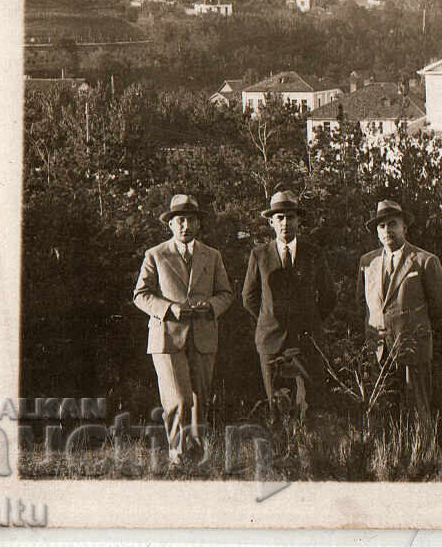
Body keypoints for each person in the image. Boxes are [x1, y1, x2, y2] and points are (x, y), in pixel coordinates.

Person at [132, 194, 235, 465]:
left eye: (191, 220)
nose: (185, 226)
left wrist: (210, 306)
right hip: (167, 338)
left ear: (199, 224)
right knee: (178, 399)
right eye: (180, 220)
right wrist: (168, 309)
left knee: (200, 400)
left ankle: (197, 457)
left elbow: (226, 294)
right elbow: (140, 295)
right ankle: (178, 457)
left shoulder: (212, 256)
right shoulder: (155, 255)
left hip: (202, 336)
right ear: (170, 225)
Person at [242, 190, 337, 422]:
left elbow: (329, 296)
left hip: (306, 341)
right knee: (277, 408)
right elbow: (249, 297)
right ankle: (282, 456)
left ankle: (309, 455)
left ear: (298, 220)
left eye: (291, 217)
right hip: (270, 342)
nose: (285, 223)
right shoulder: (259, 256)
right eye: (280, 218)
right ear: (271, 222)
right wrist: (270, 318)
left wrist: (309, 322)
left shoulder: (313, 253)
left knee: (310, 407)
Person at [356, 200, 442, 425]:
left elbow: (439, 309)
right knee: (381, 410)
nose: (387, 230)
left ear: (404, 227)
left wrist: (416, 333)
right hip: (377, 349)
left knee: (417, 410)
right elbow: (361, 304)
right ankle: (386, 457)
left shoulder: (425, 261)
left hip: (413, 348)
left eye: (392, 224)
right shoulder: (367, 262)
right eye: (381, 226)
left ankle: (422, 457)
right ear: (377, 232)